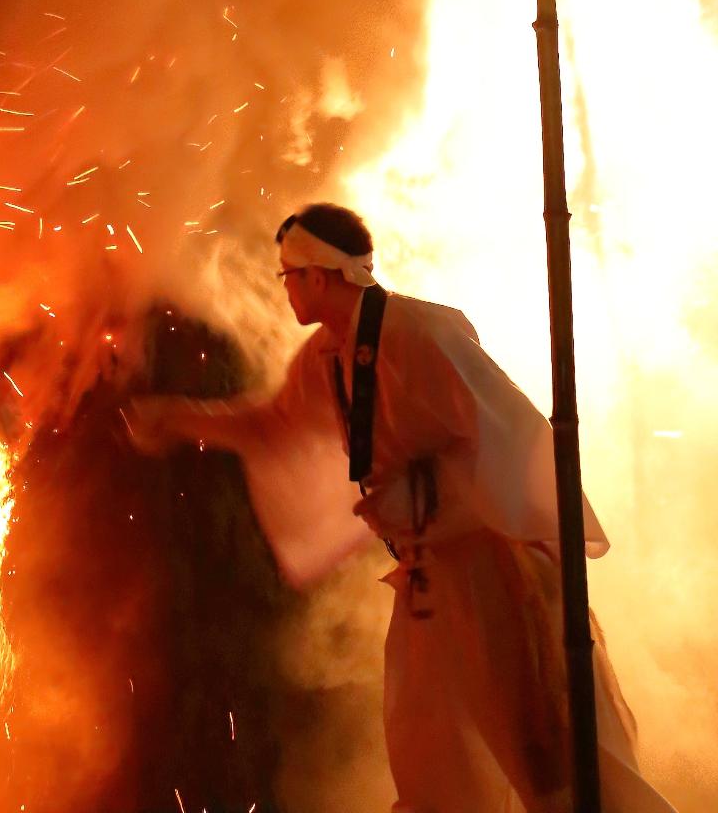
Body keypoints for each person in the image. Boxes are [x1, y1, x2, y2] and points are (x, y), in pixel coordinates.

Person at [129, 203, 675, 813]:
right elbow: (271, 427)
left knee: (546, 759)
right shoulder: (324, 362)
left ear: (319, 274)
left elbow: (510, 439)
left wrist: (426, 495)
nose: (284, 289)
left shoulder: (423, 334)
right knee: (429, 760)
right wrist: (178, 418)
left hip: (492, 570)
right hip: (426, 583)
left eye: (288, 275)